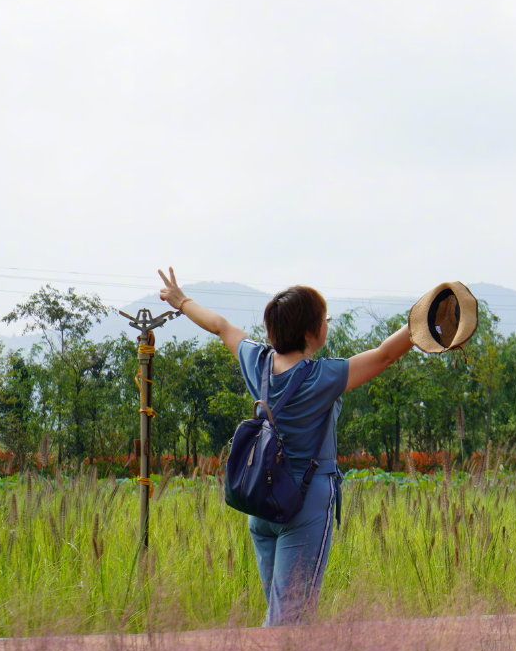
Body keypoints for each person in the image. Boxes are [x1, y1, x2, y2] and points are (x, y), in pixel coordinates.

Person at [157, 268, 414, 625]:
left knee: (280, 613)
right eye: (324, 319)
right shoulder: (322, 377)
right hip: (303, 506)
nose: (327, 323)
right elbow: (386, 355)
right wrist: (424, 321)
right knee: (290, 621)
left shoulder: (256, 362)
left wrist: (180, 301)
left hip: (260, 502)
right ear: (312, 331)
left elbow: (220, 326)